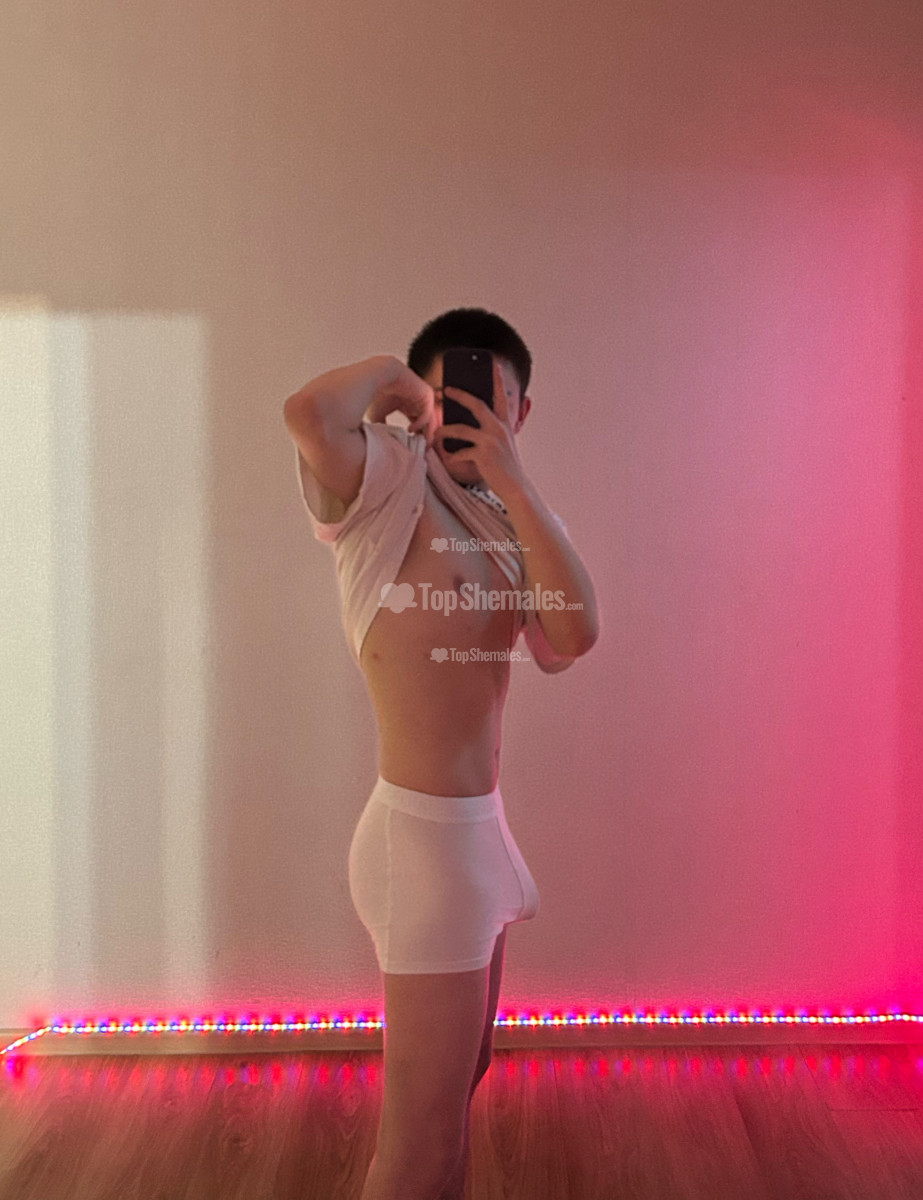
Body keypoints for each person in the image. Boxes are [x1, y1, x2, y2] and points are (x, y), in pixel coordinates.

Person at [283, 308, 599, 1199]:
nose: (475, 419)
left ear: (521, 414)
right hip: (423, 848)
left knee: (460, 1089)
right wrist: (393, 376)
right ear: (426, 403)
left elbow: (574, 635)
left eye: (494, 405)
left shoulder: (508, 514)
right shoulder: (388, 481)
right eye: (456, 398)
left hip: (480, 835)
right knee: (420, 1144)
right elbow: (309, 414)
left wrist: (514, 479)